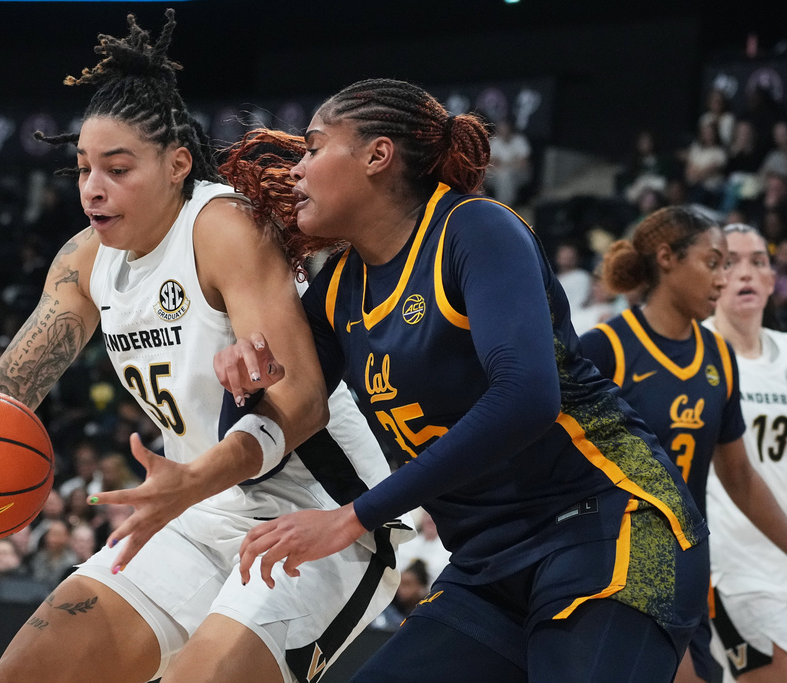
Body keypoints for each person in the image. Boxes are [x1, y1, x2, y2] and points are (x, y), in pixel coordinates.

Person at [0, 11, 406, 683]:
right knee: (28, 673)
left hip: (323, 514)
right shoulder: (84, 260)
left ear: (176, 163)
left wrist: (197, 477)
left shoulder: (222, 227)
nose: (93, 188)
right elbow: (10, 386)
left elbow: (302, 401)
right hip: (193, 508)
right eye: (82, 170)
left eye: (117, 168)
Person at [205, 78, 711, 681]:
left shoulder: (475, 229)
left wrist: (354, 516)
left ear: (377, 155)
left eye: (314, 148)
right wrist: (245, 381)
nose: (297, 170)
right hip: (487, 565)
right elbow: (271, 432)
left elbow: (527, 398)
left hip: (612, 523)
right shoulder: (339, 285)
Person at [578, 207, 787, 683]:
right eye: (713, 263)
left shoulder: (719, 358)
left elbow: (739, 477)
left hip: (691, 569)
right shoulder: (604, 348)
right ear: (667, 259)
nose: (723, 278)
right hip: (620, 564)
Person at [704, 223, 787, 682]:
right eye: (730, 261)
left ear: (773, 279)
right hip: (730, 568)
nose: (745, 274)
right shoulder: (692, 355)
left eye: (758, 261)